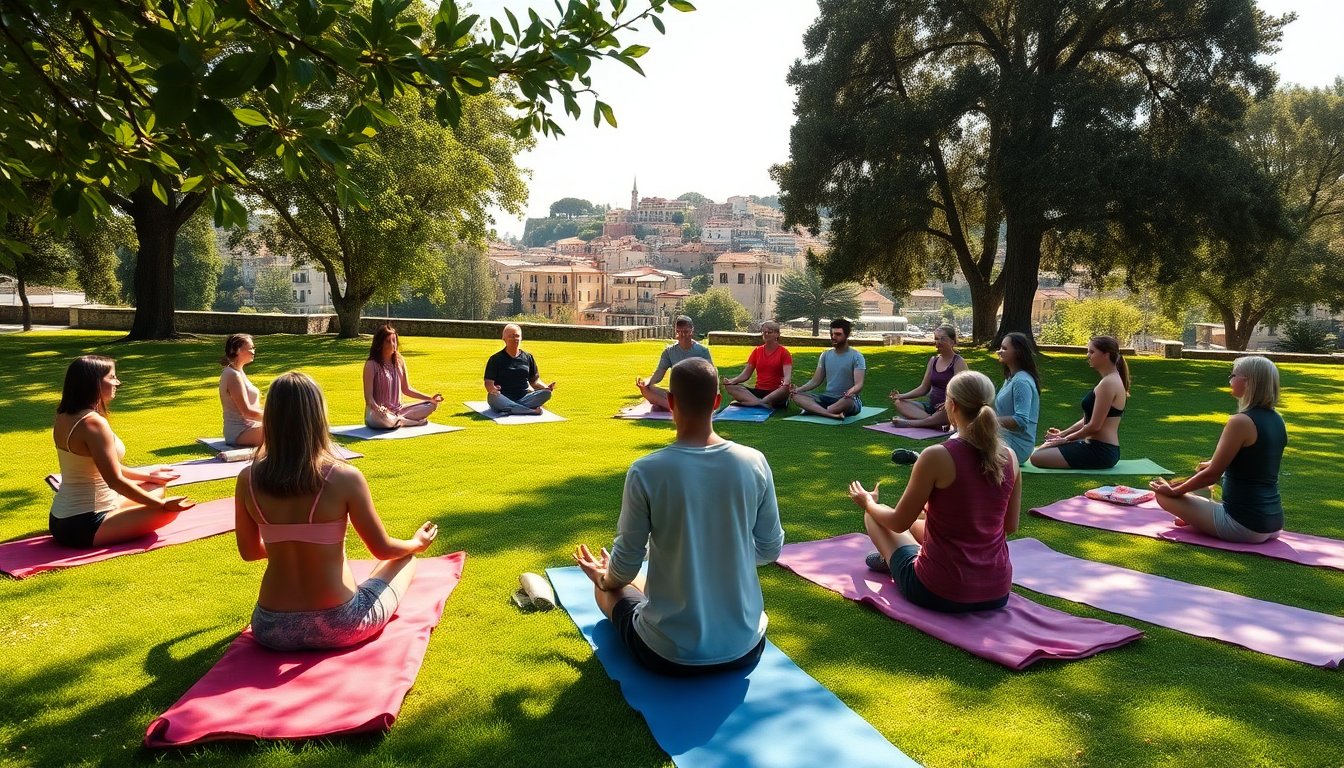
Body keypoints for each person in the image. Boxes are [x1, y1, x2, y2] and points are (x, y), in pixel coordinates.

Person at [573, 358, 785, 675]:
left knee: (608, 589)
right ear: (717, 401)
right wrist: (721, 558)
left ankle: (605, 584)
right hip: (747, 647)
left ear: (670, 402)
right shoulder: (754, 462)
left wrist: (604, 577)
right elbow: (770, 549)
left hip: (668, 654)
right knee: (641, 578)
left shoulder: (647, 471)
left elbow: (628, 561)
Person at [235, 372, 439, 651]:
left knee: (382, 563)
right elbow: (382, 549)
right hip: (339, 623)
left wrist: (291, 543)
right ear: (318, 417)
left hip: (271, 627)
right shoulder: (344, 477)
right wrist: (417, 543)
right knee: (405, 559)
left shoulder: (247, 479)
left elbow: (249, 551)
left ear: (270, 418)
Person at [848, 371, 1021, 613]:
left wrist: (867, 502)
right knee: (922, 519)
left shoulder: (937, 455)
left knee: (877, 515)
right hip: (997, 590)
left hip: (939, 590)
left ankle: (893, 560)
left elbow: (898, 522)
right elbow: (1009, 526)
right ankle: (899, 558)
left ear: (952, 405)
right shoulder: (1010, 456)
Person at [49, 355, 195, 548]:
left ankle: (140, 503)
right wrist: (161, 506)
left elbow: (109, 467)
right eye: (112, 377)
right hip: (84, 524)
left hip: (60, 518)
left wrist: (149, 476)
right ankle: (153, 507)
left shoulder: (64, 415)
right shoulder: (93, 423)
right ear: (94, 383)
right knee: (169, 511)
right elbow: (115, 480)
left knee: (155, 488)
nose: (117, 382)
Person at [1150, 356, 1286, 543]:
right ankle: (1196, 517)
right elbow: (1254, 463)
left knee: (1163, 496)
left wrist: (1174, 491)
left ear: (1247, 382)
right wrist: (1210, 465)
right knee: (1203, 469)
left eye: (1233, 375)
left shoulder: (1240, 421)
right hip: (1272, 523)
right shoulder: (1277, 419)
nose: (1230, 380)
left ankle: (1196, 517)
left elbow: (1212, 476)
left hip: (1244, 526)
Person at [1029, 336, 1129, 469]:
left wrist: (1065, 439)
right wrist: (1062, 434)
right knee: (1040, 451)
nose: (1088, 355)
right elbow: (1087, 420)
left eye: (1092, 352)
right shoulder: (1109, 381)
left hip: (1100, 451)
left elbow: (1094, 426)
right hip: (1095, 447)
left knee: (1037, 457)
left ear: (1106, 354)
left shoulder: (1109, 383)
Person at [363, 324, 442, 429]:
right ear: (380, 343)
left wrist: (430, 398)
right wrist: (378, 409)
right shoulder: (371, 364)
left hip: (398, 410)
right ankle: (412, 422)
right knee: (383, 418)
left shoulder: (400, 361)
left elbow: (407, 389)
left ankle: (399, 420)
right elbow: (369, 398)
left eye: (394, 340)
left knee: (431, 405)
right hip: (378, 413)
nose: (393, 344)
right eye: (388, 341)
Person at [889, 324, 968, 429]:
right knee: (899, 403)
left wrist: (948, 402)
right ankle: (932, 422)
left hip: (949, 408)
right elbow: (923, 388)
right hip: (930, 407)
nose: (938, 342)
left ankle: (910, 423)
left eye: (943, 339)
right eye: (936, 339)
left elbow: (962, 391)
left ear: (952, 341)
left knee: (945, 411)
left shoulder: (958, 361)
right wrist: (901, 396)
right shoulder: (933, 361)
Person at [790, 317, 866, 419]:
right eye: (832, 334)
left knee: (848, 401)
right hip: (827, 398)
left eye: (838, 334)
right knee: (796, 396)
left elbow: (859, 384)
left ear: (847, 335)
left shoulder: (857, 356)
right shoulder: (825, 355)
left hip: (846, 399)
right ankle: (831, 414)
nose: (834, 337)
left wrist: (851, 391)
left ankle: (819, 410)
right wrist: (798, 389)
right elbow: (815, 381)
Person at [637, 315, 713, 410]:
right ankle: (675, 406)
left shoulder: (702, 351)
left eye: (686, 331)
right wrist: (647, 384)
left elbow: (711, 377)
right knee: (650, 389)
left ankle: (674, 406)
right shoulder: (669, 351)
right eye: (679, 332)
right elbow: (659, 373)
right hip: (677, 394)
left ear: (692, 330)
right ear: (676, 331)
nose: (683, 335)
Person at [484, 323, 556, 415]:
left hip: (524, 397)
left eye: (517, 336)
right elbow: (488, 383)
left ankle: (512, 408)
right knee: (493, 397)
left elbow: (534, 381)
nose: (515, 339)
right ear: (504, 339)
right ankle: (530, 411)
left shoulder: (528, 357)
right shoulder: (495, 359)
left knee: (546, 394)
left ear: (521, 338)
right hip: (503, 397)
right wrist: (493, 389)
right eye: (511, 336)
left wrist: (546, 387)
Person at [721, 321, 793, 409]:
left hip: (776, 391)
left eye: (769, 332)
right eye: (764, 332)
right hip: (759, 390)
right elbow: (746, 374)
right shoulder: (757, 351)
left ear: (777, 334)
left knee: (786, 388)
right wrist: (732, 381)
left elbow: (787, 376)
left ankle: (757, 402)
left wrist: (785, 383)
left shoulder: (784, 353)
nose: (766, 334)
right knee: (730, 387)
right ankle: (761, 403)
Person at [994, 332, 1041, 464]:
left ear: (1017, 352)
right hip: (1003, 435)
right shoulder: (1011, 377)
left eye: (1004, 348)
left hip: (1017, 447)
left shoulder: (1021, 381)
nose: (999, 351)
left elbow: (1021, 420)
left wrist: (990, 421)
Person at [219, 333, 264, 447]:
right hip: (240, 431)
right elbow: (246, 412)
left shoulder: (238, 371)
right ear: (237, 350)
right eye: (250, 348)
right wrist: (276, 417)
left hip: (251, 427)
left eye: (254, 348)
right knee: (286, 430)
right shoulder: (232, 374)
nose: (253, 351)